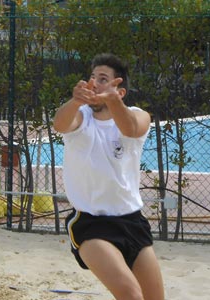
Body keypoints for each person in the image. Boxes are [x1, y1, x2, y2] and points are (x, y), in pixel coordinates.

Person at [53, 53, 164, 300]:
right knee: (130, 294)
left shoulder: (137, 115)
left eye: (102, 79)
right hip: (91, 224)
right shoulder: (81, 117)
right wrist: (74, 101)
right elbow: (60, 124)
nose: (94, 83)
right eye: (92, 77)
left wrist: (114, 102)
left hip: (132, 221)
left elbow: (131, 128)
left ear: (120, 90)